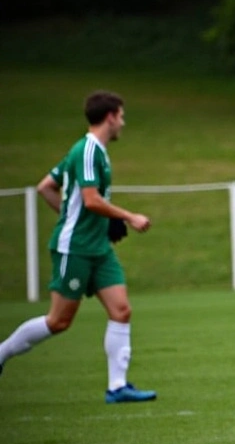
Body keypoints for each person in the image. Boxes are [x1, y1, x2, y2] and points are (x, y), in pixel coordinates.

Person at [0, 92, 156, 404]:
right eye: (121, 116)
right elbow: (90, 200)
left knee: (121, 310)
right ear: (110, 116)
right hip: (75, 249)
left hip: (99, 248)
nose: (123, 122)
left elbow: (46, 186)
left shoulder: (95, 151)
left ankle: (117, 387)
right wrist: (128, 216)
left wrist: (79, 218)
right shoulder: (86, 150)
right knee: (59, 321)